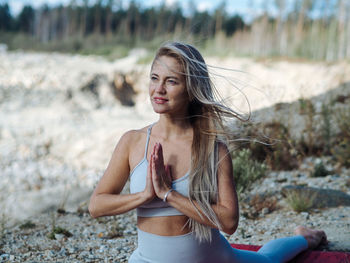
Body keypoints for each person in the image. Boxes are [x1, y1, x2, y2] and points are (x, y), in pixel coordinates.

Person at [88, 41, 327, 263]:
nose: (158, 89)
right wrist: (144, 196)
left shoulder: (213, 150)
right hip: (146, 259)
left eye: (171, 81)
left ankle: (305, 237)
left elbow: (229, 222)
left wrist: (168, 194)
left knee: (267, 259)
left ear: (191, 89)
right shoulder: (132, 141)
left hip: (211, 258)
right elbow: (97, 205)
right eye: (154, 78)